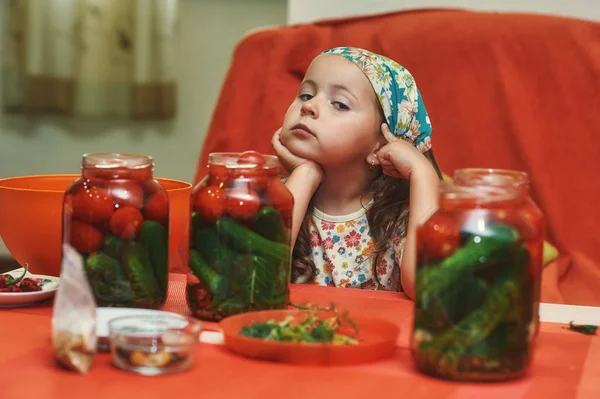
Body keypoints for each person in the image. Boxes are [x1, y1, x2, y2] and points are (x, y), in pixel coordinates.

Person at [271, 47, 443, 298]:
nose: (309, 106)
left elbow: (427, 288)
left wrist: (422, 172)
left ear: (383, 143)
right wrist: (305, 174)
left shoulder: (402, 217)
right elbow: (253, 277)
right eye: (306, 94)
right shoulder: (279, 195)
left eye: (339, 104)